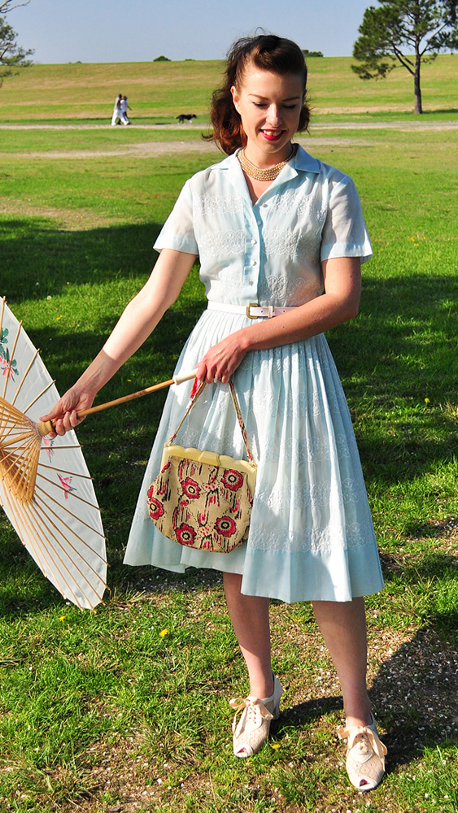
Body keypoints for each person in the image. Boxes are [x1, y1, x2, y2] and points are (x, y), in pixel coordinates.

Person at [41, 34, 387, 791]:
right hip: (212, 380)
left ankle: (357, 715)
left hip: (293, 375)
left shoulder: (331, 188)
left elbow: (341, 300)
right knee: (228, 536)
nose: (275, 120)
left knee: (321, 543)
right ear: (235, 96)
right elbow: (155, 296)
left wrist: (252, 335)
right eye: (261, 103)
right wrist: (93, 379)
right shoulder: (202, 189)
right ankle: (260, 693)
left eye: (290, 106)